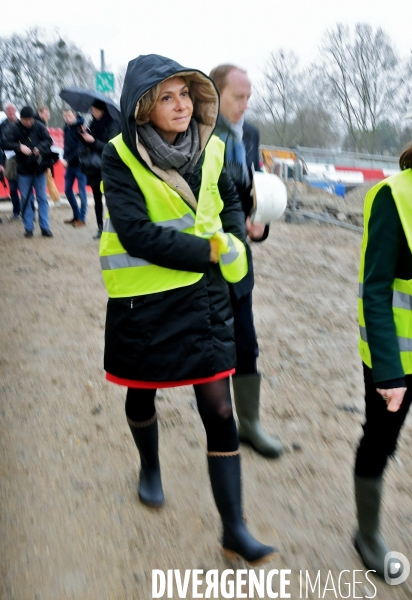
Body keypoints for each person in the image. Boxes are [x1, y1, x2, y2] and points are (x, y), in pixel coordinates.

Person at [100, 53, 276, 565]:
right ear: (143, 108)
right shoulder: (119, 156)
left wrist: (236, 235)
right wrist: (210, 252)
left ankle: (235, 529)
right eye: (167, 97)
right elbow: (135, 232)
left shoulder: (215, 146)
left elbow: (229, 202)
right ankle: (150, 466)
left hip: (203, 299)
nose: (180, 105)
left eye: (185, 94)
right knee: (142, 394)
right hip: (145, 301)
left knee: (219, 408)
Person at [209, 64, 283, 458]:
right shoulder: (198, 136)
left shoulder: (249, 135)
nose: (245, 104)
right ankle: (219, 421)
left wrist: (259, 225)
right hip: (203, 259)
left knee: (245, 342)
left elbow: (251, 193)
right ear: (215, 94)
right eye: (238, 97)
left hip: (240, 258)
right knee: (208, 346)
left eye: (248, 96)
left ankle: (250, 425)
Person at [355, 144, 412, 578]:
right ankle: (368, 534)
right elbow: (375, 288)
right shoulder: (396, 197)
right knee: (381, 440)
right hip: (398, 358)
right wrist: (389, 371)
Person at [7, 105, 53, 237]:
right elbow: (5, 143)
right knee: (26, 199)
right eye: (26, 120)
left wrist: (39, 148)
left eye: (31, 119)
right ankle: (28, 228)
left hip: (38, 168)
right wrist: (19, 146)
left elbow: (48, 140)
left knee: (42, 198)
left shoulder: (39, 125)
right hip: (23, 169)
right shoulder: (15, 128)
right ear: (21, 119)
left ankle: (45, 227)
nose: (29, 122)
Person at [79, 100, 120, 238]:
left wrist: (93, 141)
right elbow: (89, 145)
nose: (93, 113)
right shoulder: (93, 123)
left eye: (95, 110)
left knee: (110, 199)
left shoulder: (113, 123)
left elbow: (111, 147)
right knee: (97, 198)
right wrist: (84, 135)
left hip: (109, 166)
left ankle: (114, 228)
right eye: (92, 110)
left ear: (102, 110)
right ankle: (100, 228)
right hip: (95, 166)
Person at [62, 108, 88, 226]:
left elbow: (80, 148)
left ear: (75, 115)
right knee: (67, 190)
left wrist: (68, 160)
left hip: (80, 164)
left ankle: (81, 219)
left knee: (82, 192)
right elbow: (67, 146)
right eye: (65, 116)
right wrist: (64, 158)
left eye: (69, 115)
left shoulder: (80, 127)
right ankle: (76, 215)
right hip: (69, 165)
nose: (66, 118)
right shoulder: (66, 128)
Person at [0, 103, 20, 219]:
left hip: (22, 159)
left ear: (15, 111)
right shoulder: (2, 126)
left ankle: (30, 211)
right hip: (8, 160)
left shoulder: (22, 123)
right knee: (12, 187)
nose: (10, 111)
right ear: (6, 112)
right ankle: (16, 211)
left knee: (25, 187)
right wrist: (1, 163)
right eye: (8, 110)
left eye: (12, 109)